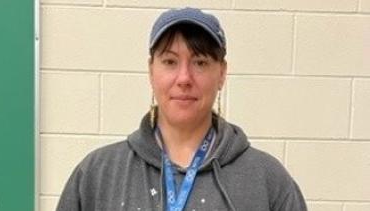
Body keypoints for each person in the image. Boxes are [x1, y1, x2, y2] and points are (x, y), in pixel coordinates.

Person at [56, 7, 307, 211]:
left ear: (221, 73)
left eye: (200, 62)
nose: (184, 78)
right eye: (170, 61)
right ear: (151, 70)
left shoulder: (266, 180)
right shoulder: (98, 175)